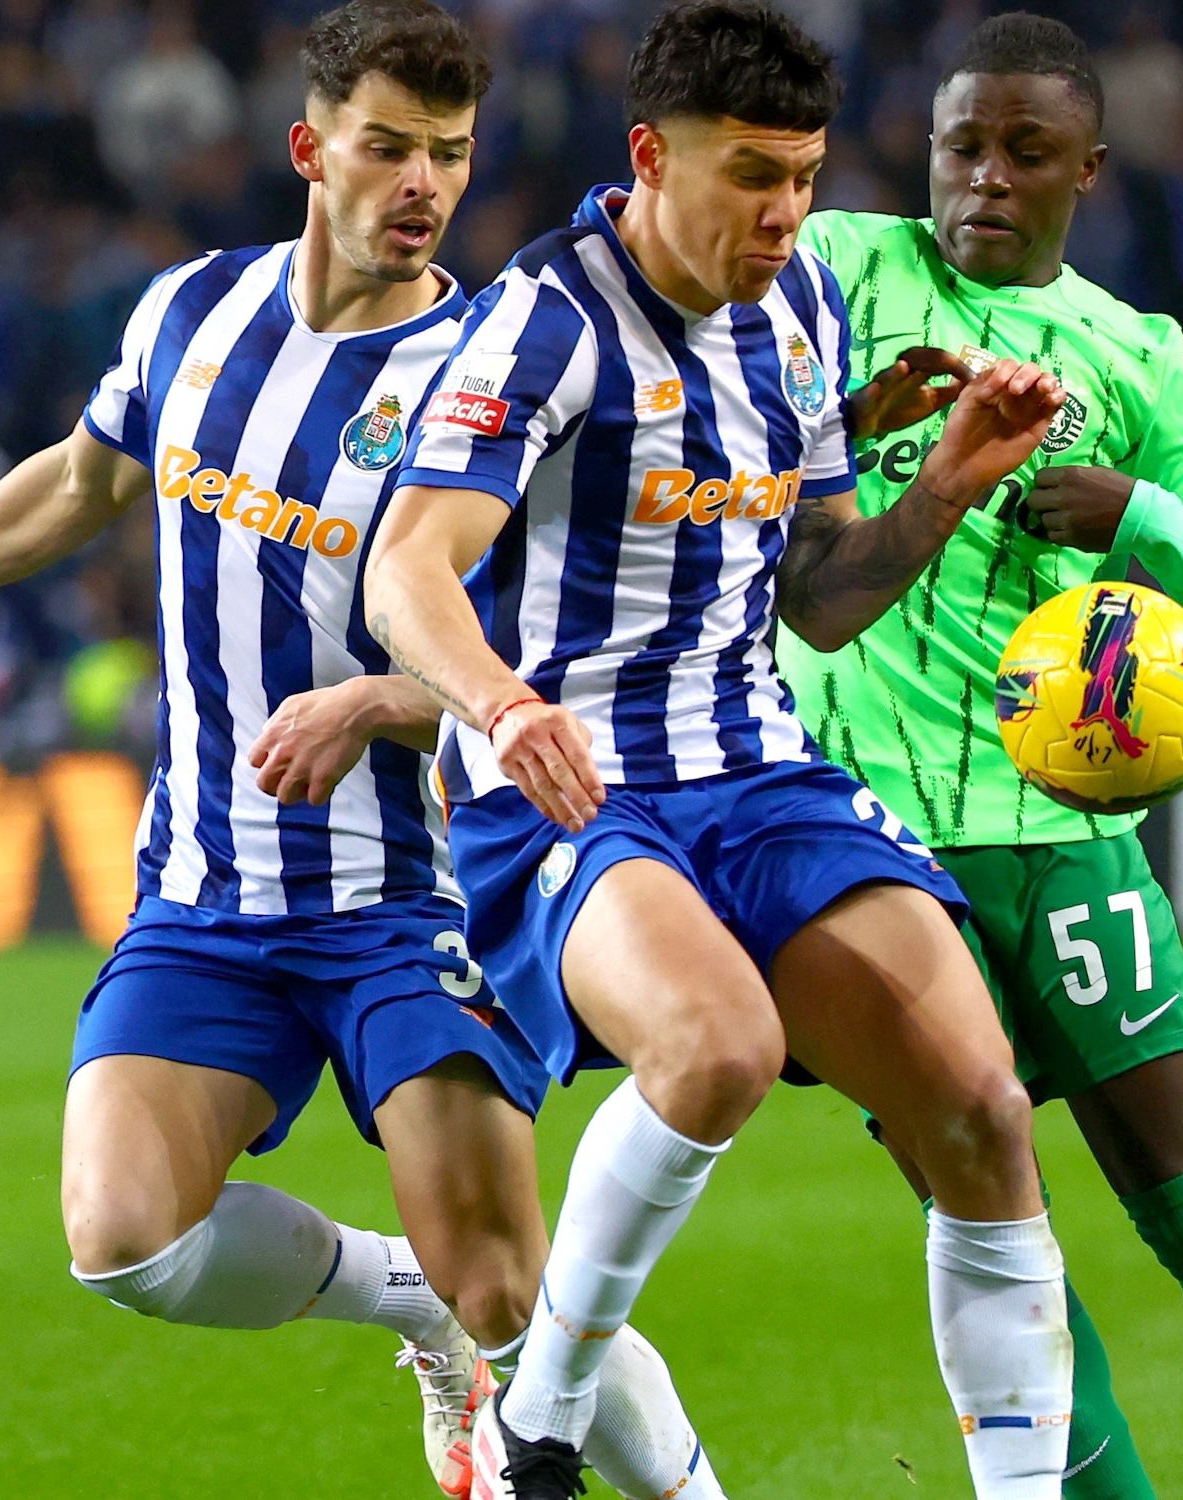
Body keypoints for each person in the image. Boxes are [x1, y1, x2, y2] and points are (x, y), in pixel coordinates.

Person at [0, 7, 716, 1497]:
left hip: (411, 898)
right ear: (313, 149)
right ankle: (411, 1307)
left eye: (448, 154)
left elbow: (548, 662)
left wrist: (381, 701)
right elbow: (78, 484)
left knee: (521, 1291)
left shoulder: (503, 366)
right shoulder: (192, 310)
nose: (422, 184)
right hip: (208, 890)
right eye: (388, 148)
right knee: (121, 1240)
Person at [362, 4, 1076, 1495]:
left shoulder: (802, 308)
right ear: (649, 155)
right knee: (717, 1047)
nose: (786, 212)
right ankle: (545, 1415)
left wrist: (940, 486)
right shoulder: (542, 322)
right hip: (566, 780)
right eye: (752, 174)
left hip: (757, 771)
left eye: (805, 174)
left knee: (983, 1113)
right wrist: (502, 701)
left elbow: (816, 598)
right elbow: (407, 571)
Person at [785, 17, 1183, 1499]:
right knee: (1003, 1239)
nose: (983, 178)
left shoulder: (1141, 365)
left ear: (1087, 171)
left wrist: (1144, 522)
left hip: (1069, 841)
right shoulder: (838, 272)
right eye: (960, 146)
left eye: (1025, 152)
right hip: (872, 864)